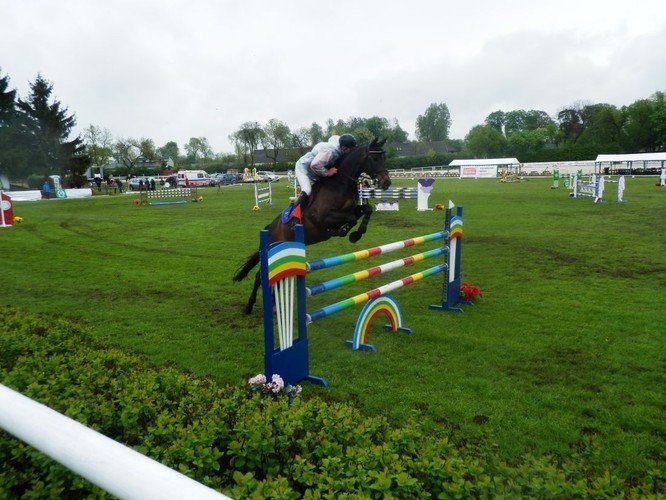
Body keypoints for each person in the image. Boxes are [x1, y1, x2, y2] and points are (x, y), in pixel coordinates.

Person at [292, 133, 357, 214]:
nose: (351, 152)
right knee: (307, 190)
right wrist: (327, 173)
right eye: (350, 149)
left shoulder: (339, 145)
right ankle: (294, 214)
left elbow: (333, 137)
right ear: (343, 148)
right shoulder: (330, 152)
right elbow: (315, 165)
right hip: (303, 168)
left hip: (316, 170)